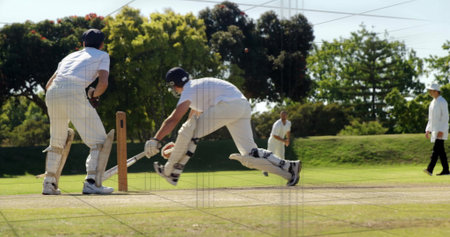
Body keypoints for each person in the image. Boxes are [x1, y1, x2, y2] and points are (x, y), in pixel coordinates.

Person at [144, 67, 301, 186]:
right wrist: (177, 148)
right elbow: (191, 124)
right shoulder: (197, 89)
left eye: (172, 87)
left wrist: (155, 139)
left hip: (229, 105)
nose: (173, 90)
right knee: (250, 156)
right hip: (241, 105)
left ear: (175, 84)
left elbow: (174, 119)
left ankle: (170, 171)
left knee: (188, 132)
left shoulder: (189, 89)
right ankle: (289, 170)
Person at [42, 29, 115, 195]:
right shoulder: (103, 55)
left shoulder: (69, 57)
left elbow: (48, 85)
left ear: (83, 43)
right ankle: (91, 183)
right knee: (99, 141)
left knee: (57, 140)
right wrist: (93, 94)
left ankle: (49, 183)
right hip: (74, 91)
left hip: (52, 93)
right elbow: (103, 83)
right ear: (102, 44)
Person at [423, 83, 450, 176]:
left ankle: (430, 169)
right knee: (441, 151)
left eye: (431, 91)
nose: (430, 92)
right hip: (435, 130)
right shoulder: (432, 103)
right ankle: (446, 170)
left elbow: (445, 117)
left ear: (436, 91)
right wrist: (428, 130)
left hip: (441, 130)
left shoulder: (442, 101)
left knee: (436, 150)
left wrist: (442, 130)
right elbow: (431, 118)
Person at [263, 111, 291, 176]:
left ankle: (282, 171)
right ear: (280, 116)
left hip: (281, 142)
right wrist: (284, 141)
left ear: (287, 116)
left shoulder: (288, 123)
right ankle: (265, 170)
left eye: (285, 115)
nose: (283, 116)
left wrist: (288, 140)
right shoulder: (277, 124)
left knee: (281, 156)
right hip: (273, 141)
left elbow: (288, 131)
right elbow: (274, 135)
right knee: (269, 156)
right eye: (282, 115)